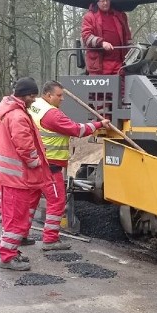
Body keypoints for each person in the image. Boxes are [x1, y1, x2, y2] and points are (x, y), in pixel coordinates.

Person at [29, 82, 111, 251]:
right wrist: (99, 124)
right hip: (51, 165)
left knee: (31, 201)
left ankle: (22, 234)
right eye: (59, 95)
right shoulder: (52, 115)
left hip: (36, 162)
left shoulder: (35, 105)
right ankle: (50, 240)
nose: (62, 98)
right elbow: (77, 130)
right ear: (48, 95)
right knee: (57, 202)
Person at [0, 77, 49, 272]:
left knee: (12, 217)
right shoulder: (18, 116)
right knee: (17, 219)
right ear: (28, 95)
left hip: (10, 177)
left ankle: (11, 251)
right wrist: (35, 162)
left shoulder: (8, 113)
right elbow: (24, 145)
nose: (34, 100)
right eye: (33, 96)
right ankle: (7, 257)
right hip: (18, 178)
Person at [81, 0, 132, 76]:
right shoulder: (89, 17)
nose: (105, 3)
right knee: (100, 89)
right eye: (102, 1)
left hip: (119, 63)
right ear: (97, 2)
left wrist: (132, 50)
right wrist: (101, 43)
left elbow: (127, 37)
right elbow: (86, 36)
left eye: (107, 0)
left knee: (121, 87)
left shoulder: (119, 16)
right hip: (99, 65)